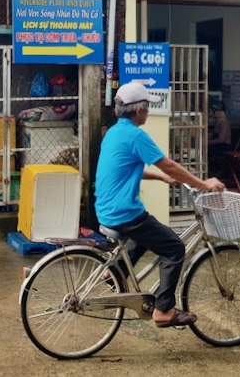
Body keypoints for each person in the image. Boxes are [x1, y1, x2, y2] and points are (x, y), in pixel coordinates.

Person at [95, 82, 225, 328]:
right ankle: (164, 310)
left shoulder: (114, 132)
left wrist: (159, 177)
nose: (148, 112)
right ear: (139, 111)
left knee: (146, 234)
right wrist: (204, 184)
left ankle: (114, 273)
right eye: (146, 108)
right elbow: (170, 164)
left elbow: (124, 170)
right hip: (123, 212)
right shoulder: (136, 135)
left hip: (107, 208)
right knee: (174, 248)